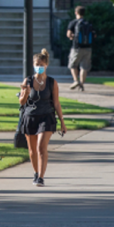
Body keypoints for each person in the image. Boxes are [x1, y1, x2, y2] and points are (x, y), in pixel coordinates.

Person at [19, 49, 67, 187]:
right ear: (33, 65)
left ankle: (40, 177)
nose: (38, 66)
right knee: (32, 150)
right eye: (36, 64)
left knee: (41, 147)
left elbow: (57, 103)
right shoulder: (27, 80)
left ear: (46, 65)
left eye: (41, 64)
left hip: (46, 117)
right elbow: (21, 102)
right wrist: (26, 93)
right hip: (30, 117)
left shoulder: (52, 82)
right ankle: (35, 172)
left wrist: (62, 122)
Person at [66, 5, 92, 91]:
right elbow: (94, 35)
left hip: (76, 47)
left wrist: (72, 37)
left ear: (76, 13)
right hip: (88, 48)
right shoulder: (88, 23)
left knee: (72, 65)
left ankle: (75, 80)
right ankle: (81, 84)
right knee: (84, 67)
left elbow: (68, 34)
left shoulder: (73, 22)